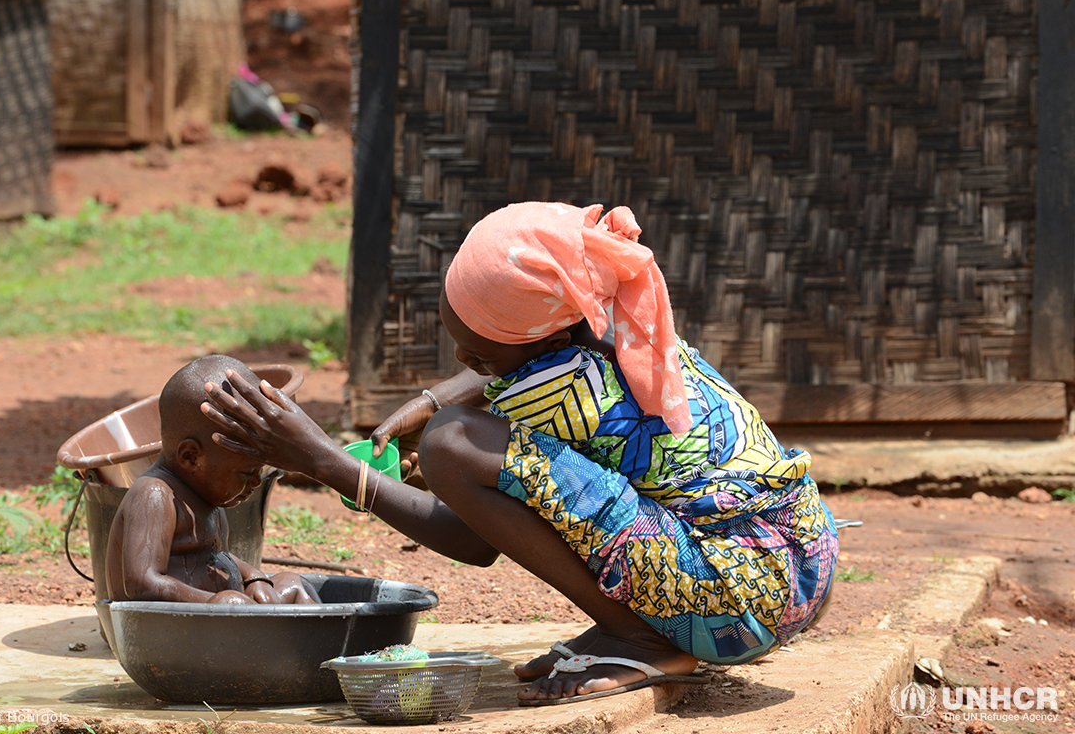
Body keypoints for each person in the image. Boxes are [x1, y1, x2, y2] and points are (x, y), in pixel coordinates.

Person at [201, 202, 838, 704]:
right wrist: (433, 398)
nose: (462, 365)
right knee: (458, 435)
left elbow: (473, 540)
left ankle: (642, 637)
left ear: (545, 339)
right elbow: (507, 377)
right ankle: (638, 625)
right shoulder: (617, 318)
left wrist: (326, 461)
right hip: (800, 564)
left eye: (477, 356)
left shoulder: (558, 398)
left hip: (737, 602)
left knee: (453, 446)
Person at [105, 354, 320, 605]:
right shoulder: (155, 495)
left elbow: (217, 556)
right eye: (247, 472)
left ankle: (327, 640)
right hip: (162, 629)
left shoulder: (204, 492)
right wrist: (214, 602)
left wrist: (253, 577)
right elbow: (140, 583)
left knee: (293, 584)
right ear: (192, 458)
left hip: (217, 619)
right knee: (243, 610)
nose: (256, 483)